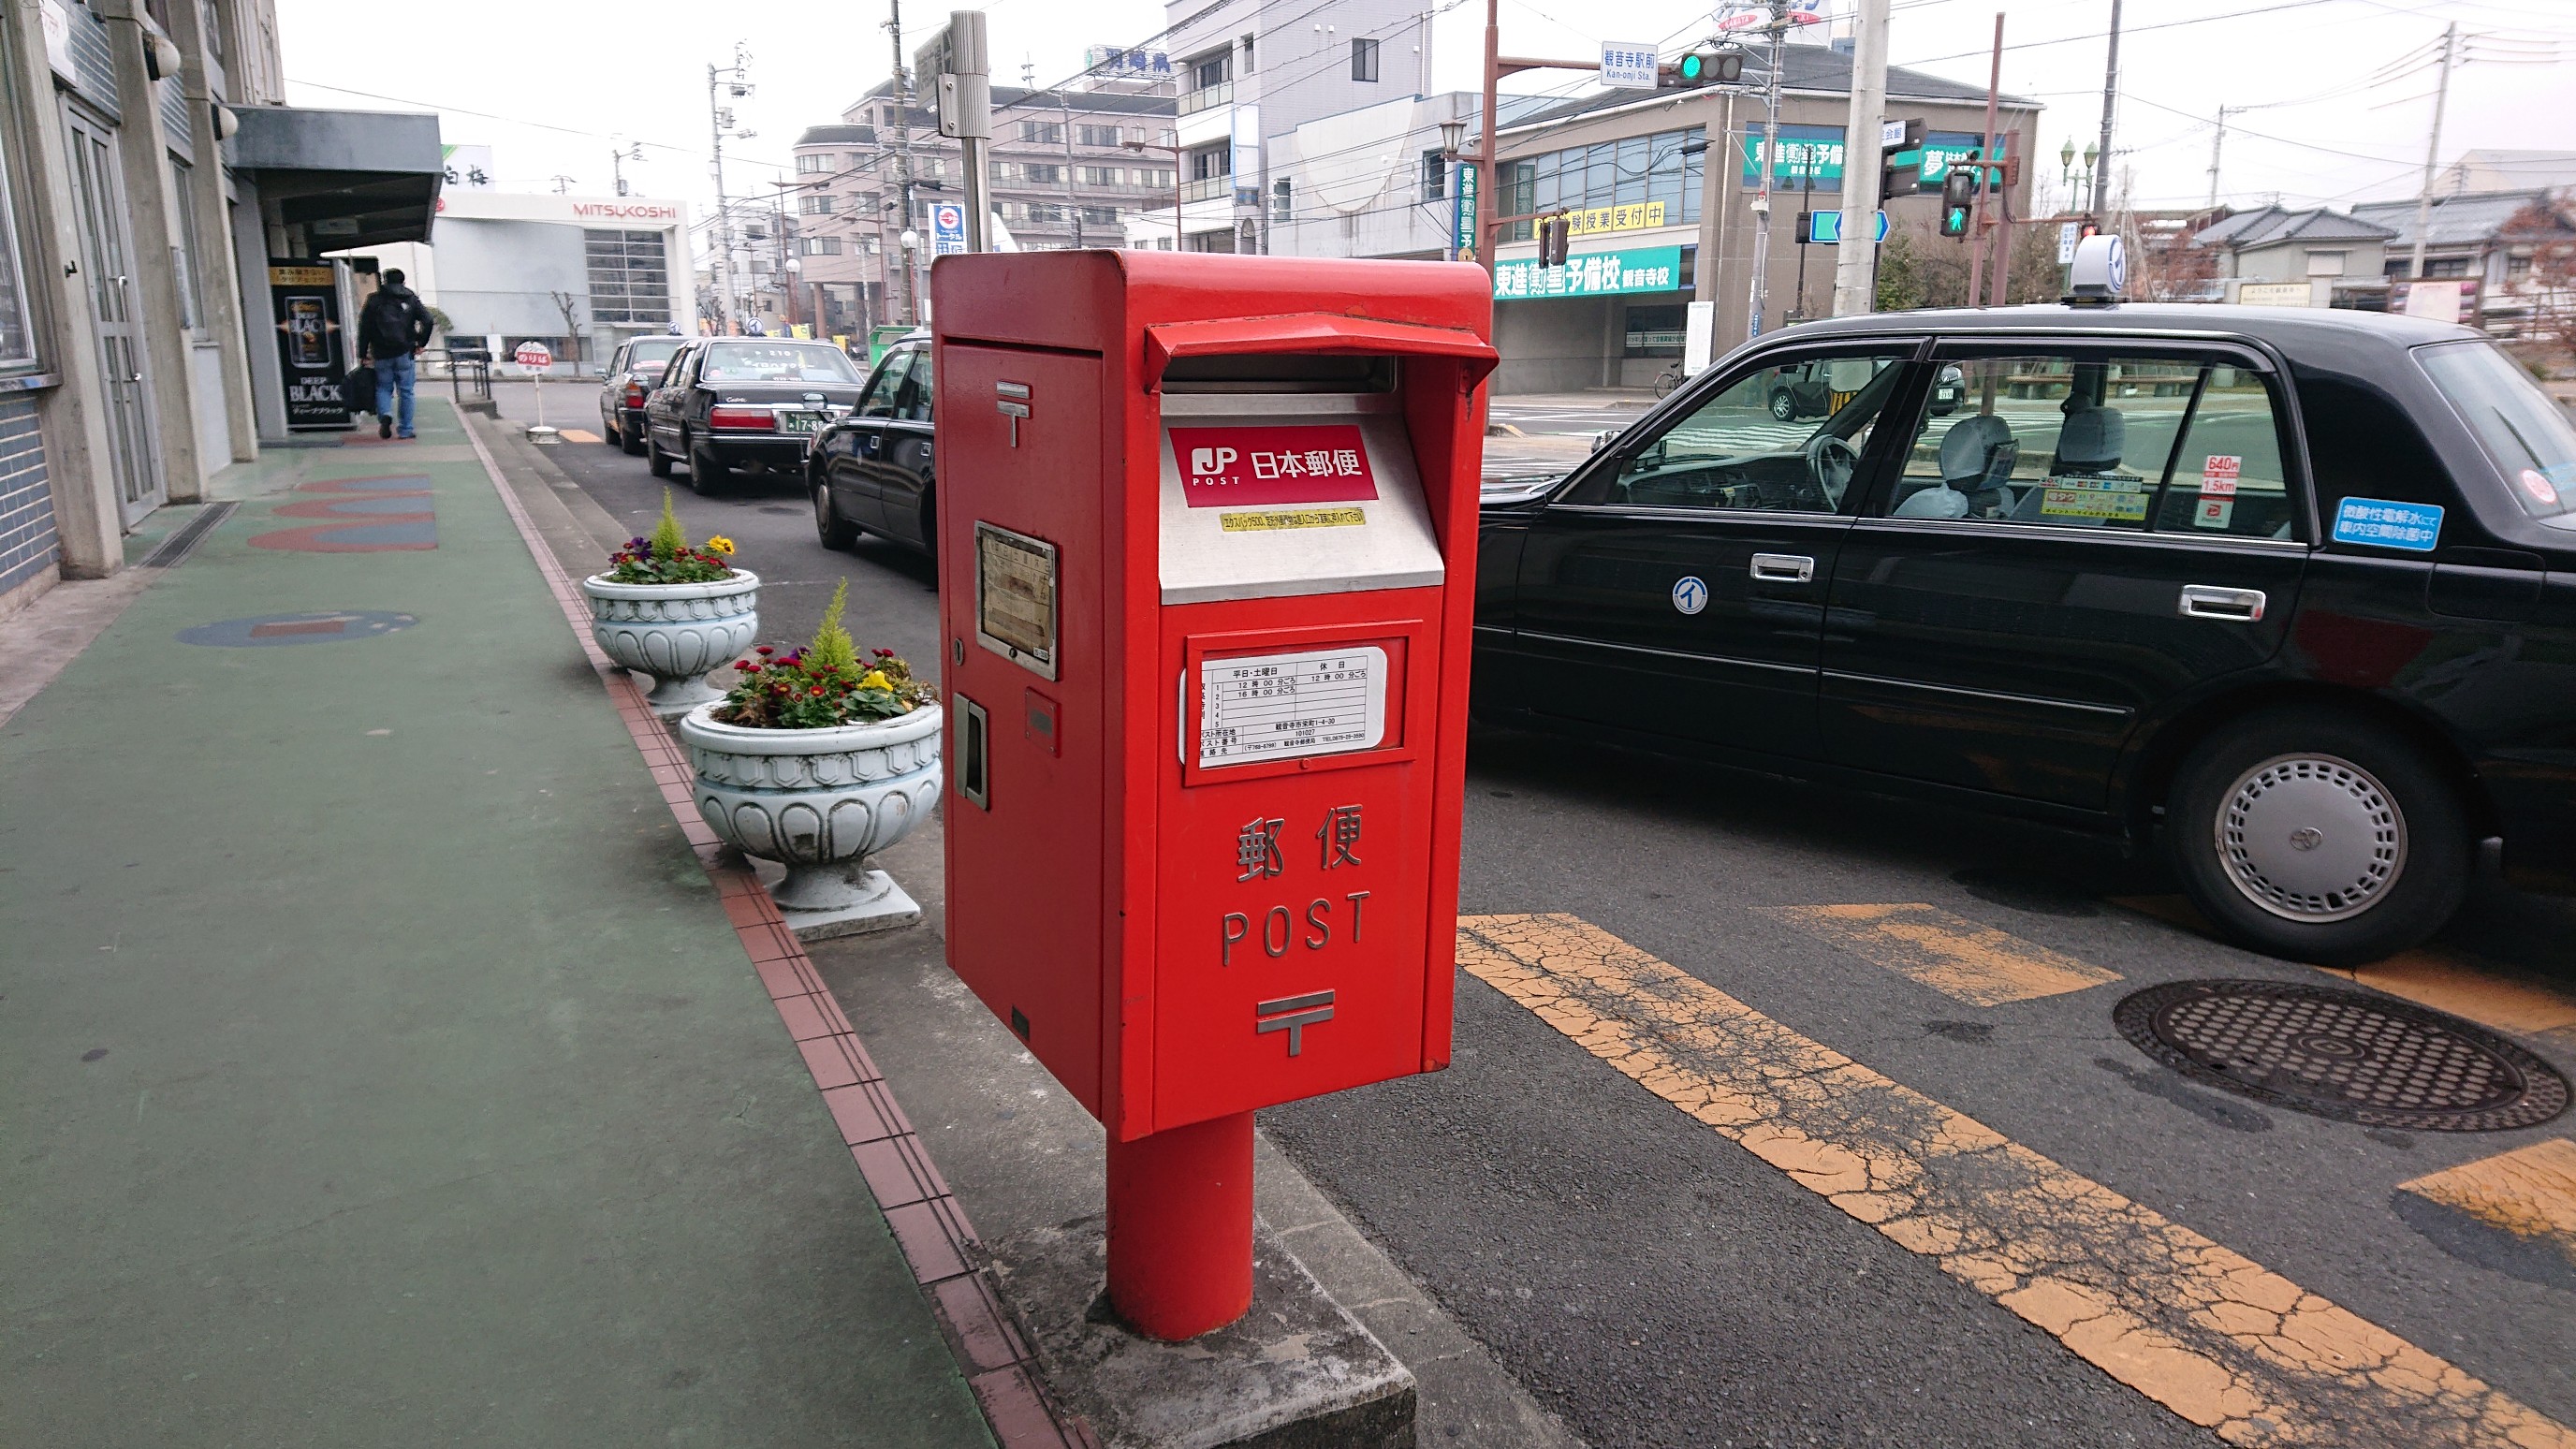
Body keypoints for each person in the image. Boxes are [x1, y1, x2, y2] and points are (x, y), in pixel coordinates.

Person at [357, 269, 433, 439]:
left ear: (384, 281)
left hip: (381, 353)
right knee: (406, 391)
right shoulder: (411, 299)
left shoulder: (374, 300)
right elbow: (428, 320)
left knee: (383, 388)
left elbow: (364, 328)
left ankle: (385, 414)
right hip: (405, 352)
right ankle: (406, 429)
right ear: (403, 282)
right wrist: (421, 342)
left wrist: (362, 353)